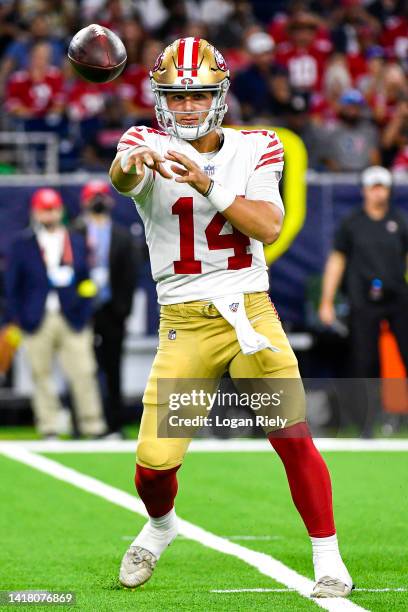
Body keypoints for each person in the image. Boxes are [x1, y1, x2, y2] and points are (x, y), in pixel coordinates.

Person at [110, 37, 353, 598]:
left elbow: (267, 226)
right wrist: (129, 164)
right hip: (186, 323)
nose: (188, 108)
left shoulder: (259, 146)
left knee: (292, 436)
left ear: (220, 96)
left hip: (249, 312)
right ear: (161, 99)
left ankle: (329, 561)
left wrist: (204, 181)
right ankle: (162, 525)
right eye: (177, 96)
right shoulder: (143, 140)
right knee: (152, 464)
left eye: (198, 97)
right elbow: (123, 178)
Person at [4, 188, 107, 439]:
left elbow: (86, 280)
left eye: (52, 209)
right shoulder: (22, 245)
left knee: (83, 371)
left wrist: (83, 308)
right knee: (41, 375)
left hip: (71, 316)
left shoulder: (76, 241)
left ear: (60, 210)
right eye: (43, 210)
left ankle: (92, 425)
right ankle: (49, 426)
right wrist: (19, 318)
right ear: (35, 212)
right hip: (36, 318)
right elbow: (11, 287)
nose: (48, 215)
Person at [319, 165, 408, 378]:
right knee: (364, 362)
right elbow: (336, 261)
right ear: (364, 190)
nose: (378, 192)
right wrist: (326, 302)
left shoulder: (399, 220)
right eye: (373, 187)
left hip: (398, 298)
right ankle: (368, 412)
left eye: (382, 187)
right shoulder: (352, 223)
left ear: (389, 190)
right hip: (363, 301)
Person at [73, 180, 137, 437]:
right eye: (93, 196)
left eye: (101, 196)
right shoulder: (75, 232)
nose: (97, 201)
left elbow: (129, 275)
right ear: (84, 201)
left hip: (111, 310)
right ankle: (83, 423)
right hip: (83, 310)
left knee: (113, 368)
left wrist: (123, 309)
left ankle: (115, 423)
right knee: (81, 368)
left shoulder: (121, 235)